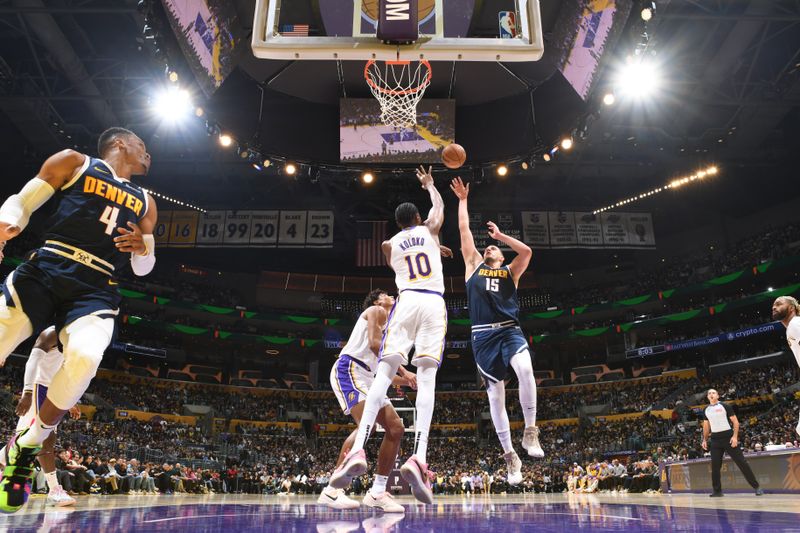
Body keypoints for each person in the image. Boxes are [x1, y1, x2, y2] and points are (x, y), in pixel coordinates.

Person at [0, 127, 157, 512]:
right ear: (121, 143)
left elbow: (144, 267)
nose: (148, 154)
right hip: (51, 263)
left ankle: (26, 446)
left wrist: (142, 249)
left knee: (86, 358)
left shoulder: (147, 202)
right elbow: (23, 201)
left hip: (98, 284)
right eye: (143, 146)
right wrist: (8, 223)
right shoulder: (76, 161)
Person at [334, 165, 446, 505]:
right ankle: (419, 456)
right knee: (426, 377)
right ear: (417, 216)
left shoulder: (387, 244)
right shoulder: (430, 231)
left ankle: (358, 451)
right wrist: (430, 186)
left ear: (398, 223)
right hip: (432, 303)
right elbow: (439, 211)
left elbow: (402, 256)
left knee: (386, 369)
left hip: (407, 299)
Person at [449, 176, 543, 486]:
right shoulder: (473, 264)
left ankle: (530, 432)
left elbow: (527, 252)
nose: (489, 247)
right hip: (483, 336)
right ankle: (510, 456)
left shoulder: (509, 271)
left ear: (500, 255)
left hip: (509, 330)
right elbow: (464, 232)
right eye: (488, 244)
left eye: (494, 247)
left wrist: (502, 236)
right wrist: (463, 200)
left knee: (526, 371)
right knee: (496, 397)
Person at [324, 289, 417, 512]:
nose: (391, 296)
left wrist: (412, 381)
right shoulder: (375, 310)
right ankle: (332, 491)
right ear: (377, 301)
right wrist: (406, 372)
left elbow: (382, 371)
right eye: (386, 294)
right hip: (349, 369)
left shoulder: (390, 327)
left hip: (369, 376)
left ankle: (377, 492)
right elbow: (375, 345)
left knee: (396, 428)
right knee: (368, 425)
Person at [0, 326, 81, 506]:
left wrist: (71, 399)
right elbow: (32, 361)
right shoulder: (51, 333)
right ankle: (54, 489)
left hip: (53, 390)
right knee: (46, 438)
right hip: (38, 387)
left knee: (25, 438)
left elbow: (65, 370)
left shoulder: (76, 337)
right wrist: (27, 392)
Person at [701, 388, 763, 497]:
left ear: (718, 396)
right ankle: (717, 491)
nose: (711, 394)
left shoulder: (725, 406)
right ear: (707, 397)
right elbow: (706, 427)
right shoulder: (706, 409)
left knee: (741, 462)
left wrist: (735, 437)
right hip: (715, 439)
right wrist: (704, 440)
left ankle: (757, 487)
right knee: (715, 466)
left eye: (713, 393)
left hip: (728, 437)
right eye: (709, 393)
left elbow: (736, 422)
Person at [772, 296, 800, 435]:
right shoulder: (791, 327)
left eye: (778, 304)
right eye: (773, 305)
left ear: (791, 307)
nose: (774, 307)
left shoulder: (796, 323)